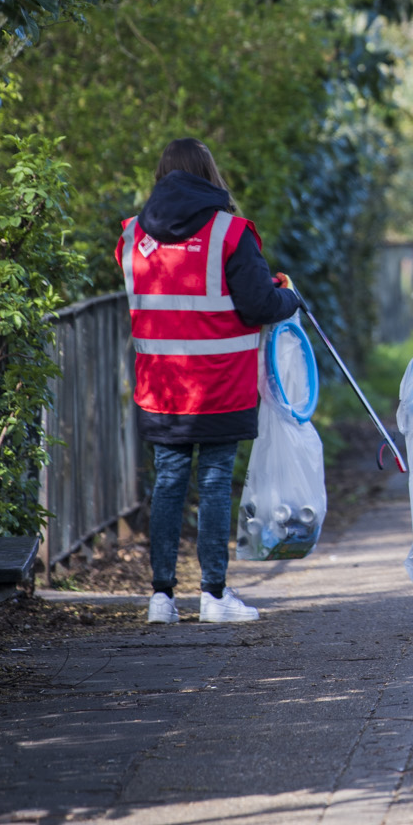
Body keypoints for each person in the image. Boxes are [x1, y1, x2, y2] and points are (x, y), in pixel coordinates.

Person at [121, 139, 302, 625]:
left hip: (160, 385)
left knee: (169, 482)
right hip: (219, 384)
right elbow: (259, 306)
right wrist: (289, 298)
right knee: (216, 481)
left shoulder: (134, 235)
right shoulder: (229, 232)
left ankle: (161, 598)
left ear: (161, 175)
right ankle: (213, 595)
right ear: (208, 174)